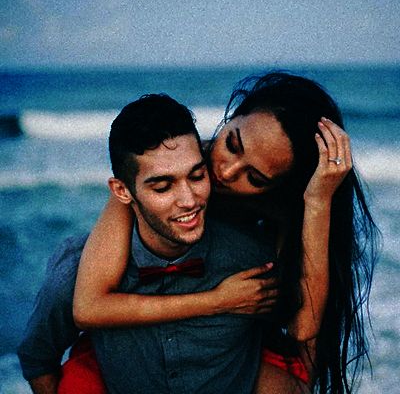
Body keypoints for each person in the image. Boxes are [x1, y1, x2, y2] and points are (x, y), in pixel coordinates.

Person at [70, 72, 379, 393]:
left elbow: (303, 328)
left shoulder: (282, 210)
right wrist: (218, 301)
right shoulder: (163, 170)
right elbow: (88, 307)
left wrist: (318, 201)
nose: (226, 171)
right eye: (232, 144)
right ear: (232, 116)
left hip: (233, 346)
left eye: (255, 178)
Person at [18, 93, 288, 394]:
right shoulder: (76, 276)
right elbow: (38, 360)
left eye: (197, 176)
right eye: (162, 187)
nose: (188, 200)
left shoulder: (252, 259)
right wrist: (217, 301)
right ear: (122, 192)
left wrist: (318, 199)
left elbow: (303, 339)